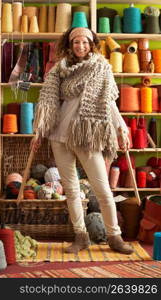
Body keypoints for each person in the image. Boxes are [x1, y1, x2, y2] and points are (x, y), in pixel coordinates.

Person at [32, 27, 133, 255]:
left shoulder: (101, 68)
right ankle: (80, 236)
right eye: (76, 42)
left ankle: (114, 237)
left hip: (87, 135)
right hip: (59, 135)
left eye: (85, 42)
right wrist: (39, 133)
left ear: (91, 44)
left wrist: (121, 129)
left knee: (103, 189)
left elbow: (109, 103)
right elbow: (48, 105)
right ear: (70, 45)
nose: (80, 46)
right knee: (71, 188)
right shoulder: (60, 70)